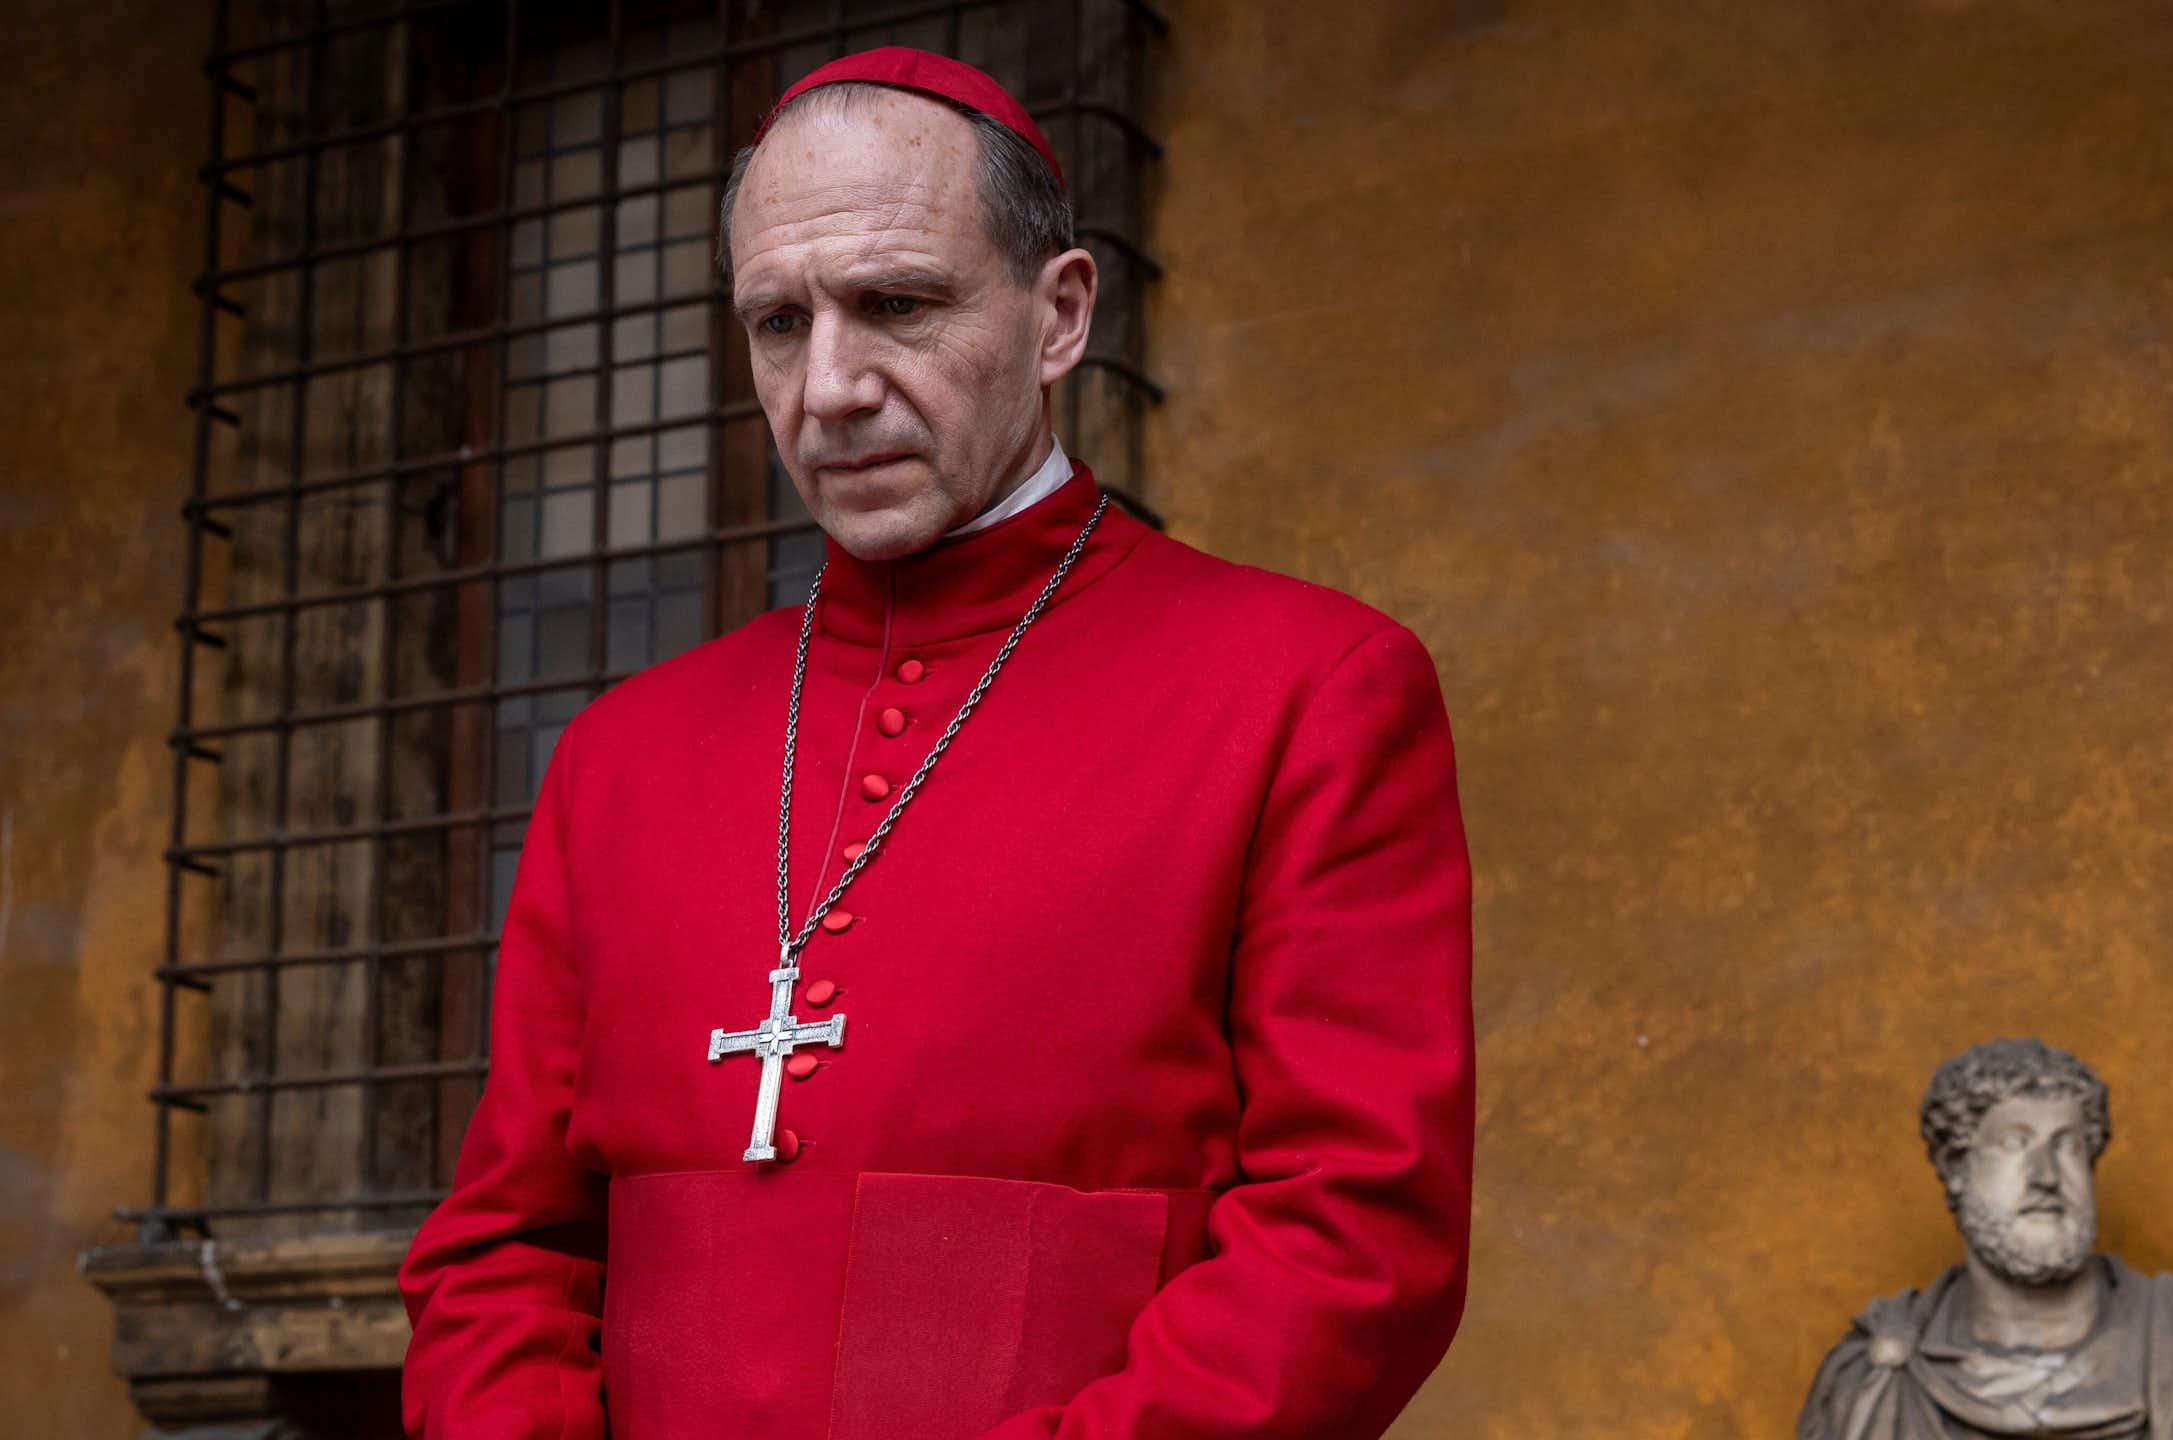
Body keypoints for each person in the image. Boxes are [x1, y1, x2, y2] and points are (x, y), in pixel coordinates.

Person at [397, 47, 1473, 1440]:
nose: (830, 387)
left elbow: (1354, 1243)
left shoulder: (1307, 690)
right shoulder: (620, 757)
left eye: (894, 305)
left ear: (1059, 313)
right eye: (779, 324)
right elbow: (504, 1257)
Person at [1797, 1038, 2173, 1440]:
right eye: (2014, 1144)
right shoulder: (1873, 1380)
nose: (2045, 1175)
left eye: (2067, 1147)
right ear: (1957, 1167)